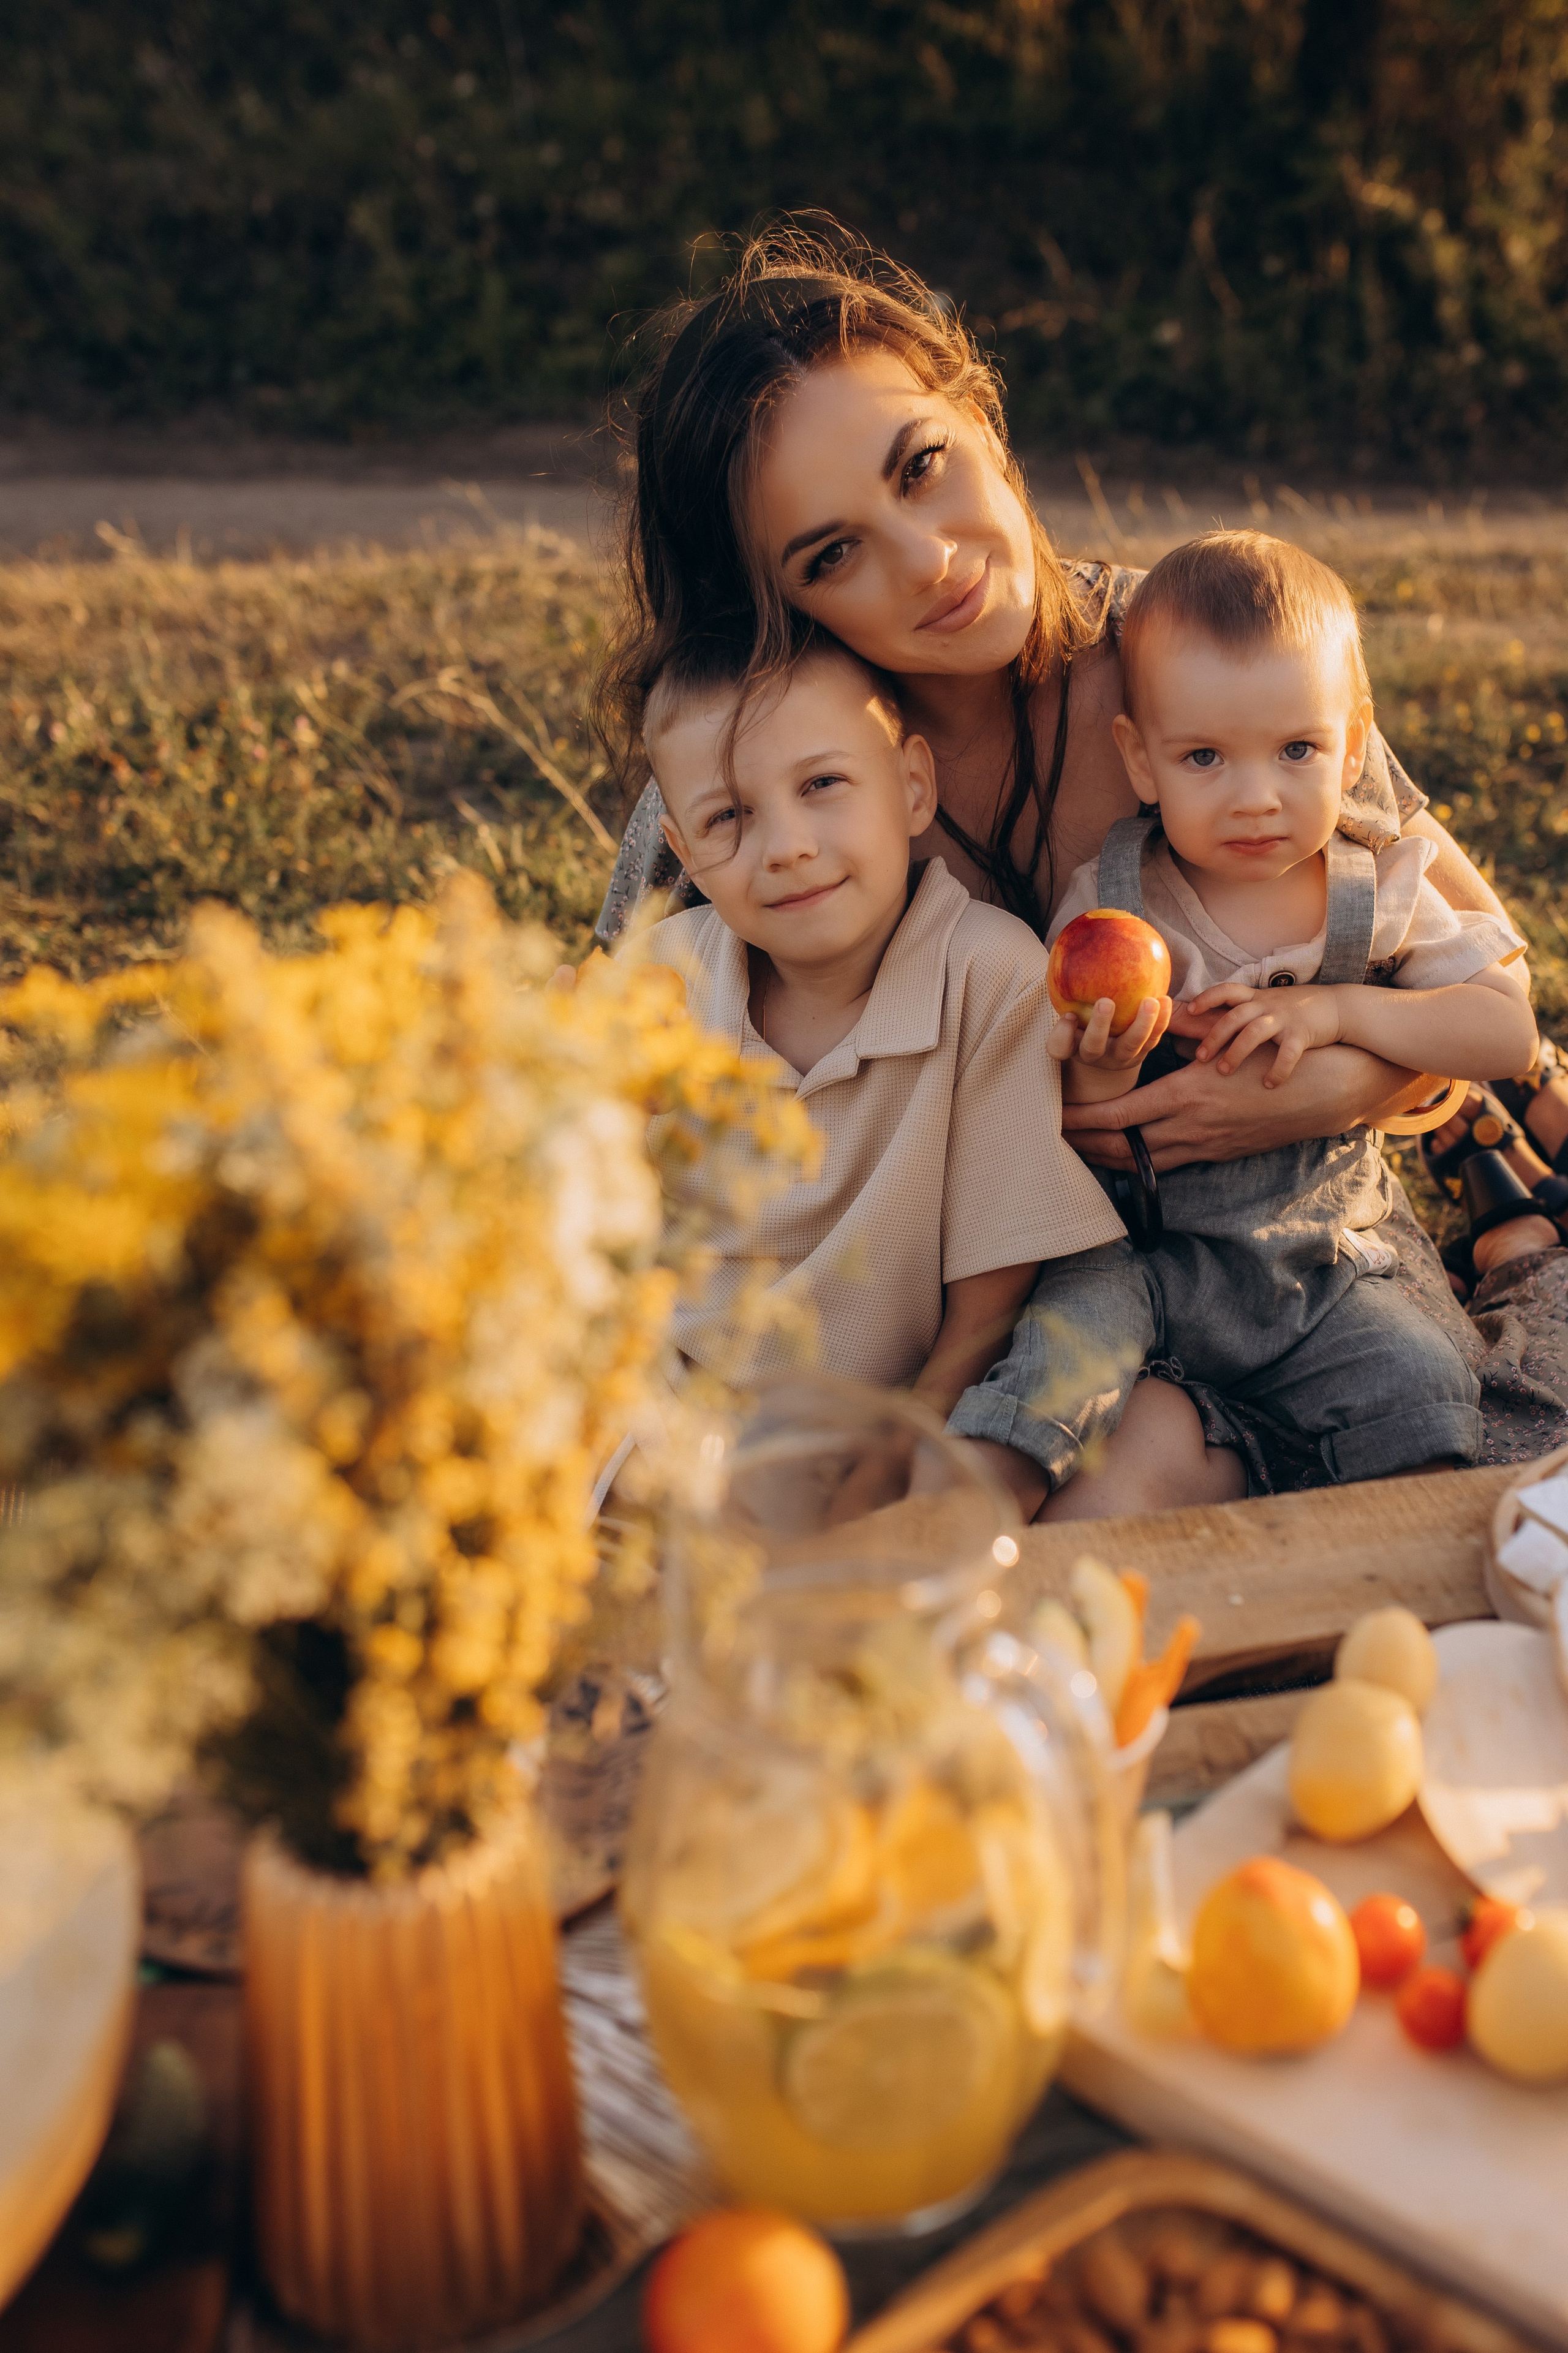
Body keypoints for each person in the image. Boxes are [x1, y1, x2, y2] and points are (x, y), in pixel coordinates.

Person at [593, 219, 1568, 1505]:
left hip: (1290, 1241)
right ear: (771, 609)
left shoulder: (1200, 657)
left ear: (979, 415)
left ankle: (1499, 1205)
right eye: (832, 553)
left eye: (922, 466)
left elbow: (1478, 986)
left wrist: (1324, 1084)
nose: (929, 560)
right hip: (1016, 1295)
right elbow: (606, 1104)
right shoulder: (767, 795)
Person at [949, 532, 1536, 1514]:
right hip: (1141, 1259)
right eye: (1205, 757)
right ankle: (962, 1510)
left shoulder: (1377, 890)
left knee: (1419, 1377)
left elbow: (1506, 1033)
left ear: (1354, 749)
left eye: (1297, 750)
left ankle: (1390, 1549)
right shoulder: (1110, 906)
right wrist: (1108, 1062)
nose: (1256, 797)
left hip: (1321, 1260)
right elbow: (1073, 1108)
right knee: (1054, 1363)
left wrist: (1340, 1008)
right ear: (1141, 760)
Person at [630, 626, 1210, 1494]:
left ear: (912, 787)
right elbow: (612, 1260)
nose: (787, 845)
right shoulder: (662, 986)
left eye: (822, 785)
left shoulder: (987, 973)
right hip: (690, 1435)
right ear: (686, 856)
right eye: (728, 817)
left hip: (904, 1419)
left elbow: (989, 1297)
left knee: (1142, 1445)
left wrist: (899, 1452)